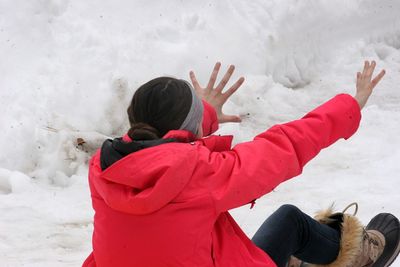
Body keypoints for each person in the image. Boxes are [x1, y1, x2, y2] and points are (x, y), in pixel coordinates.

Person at [83, 61, 400, 267]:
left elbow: (163, 152)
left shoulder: (106, 170)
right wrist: (348, 108)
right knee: (290, 221)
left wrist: (203, 114)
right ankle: (361, 259)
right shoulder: (199, 173)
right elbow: (283, 147)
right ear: (189, 130)